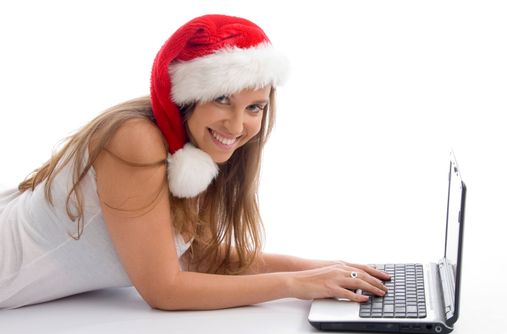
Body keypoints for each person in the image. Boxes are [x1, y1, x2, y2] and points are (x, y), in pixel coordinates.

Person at [0, 14, 389, 310]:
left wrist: (318, 269)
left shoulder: (195, 152)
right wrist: (293, 286)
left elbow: (192, 258)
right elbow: (164, 288)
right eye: (222, 99)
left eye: (254, 107)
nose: (237, 126)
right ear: (184, 98)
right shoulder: (136, 139)